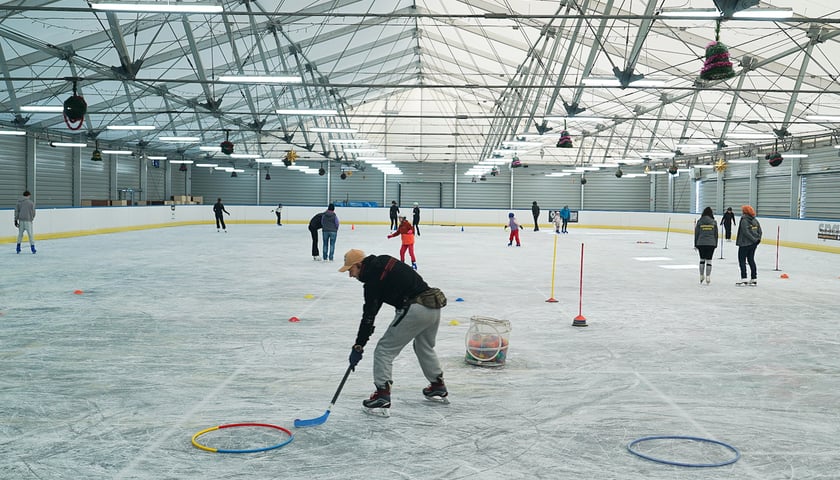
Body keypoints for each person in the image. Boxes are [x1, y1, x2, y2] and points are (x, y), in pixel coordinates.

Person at [339, 249, 448, 414]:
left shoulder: (372, 282)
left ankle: (382, 394)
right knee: (423, 346)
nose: (350, 275)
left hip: (415, 308)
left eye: (350, 270)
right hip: (433, 306)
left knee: (384, 350)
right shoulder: (384, 260)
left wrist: (359, 345)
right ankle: (437, 385)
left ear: (359, 265)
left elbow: (369, 316)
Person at [736, 205, 762, 286]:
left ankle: (744, 279)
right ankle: (754, 279)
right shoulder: (755, 220)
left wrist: (754, 240)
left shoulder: (744, 220)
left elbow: (745, 232)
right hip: (753, 244)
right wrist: (757, 240)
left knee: (742, 260)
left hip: (744, 244)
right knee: (751, 260)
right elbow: (760, 231)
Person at [694, 207, 719, 284]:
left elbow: (696, 234)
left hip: (701, 243)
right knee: (709, 260)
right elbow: (716, 234)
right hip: (711, 243)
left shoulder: (699, 222)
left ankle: (701, 275)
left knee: (702, 260)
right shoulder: (714, 222)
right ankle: (708, 276)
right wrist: (715, 244)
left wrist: (695, 244)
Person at [14, 190, 36, 254]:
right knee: (30, 235)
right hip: (28, 221)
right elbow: (33, 212)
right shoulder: (31, 203)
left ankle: (18, 248)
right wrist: (31, 218)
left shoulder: (19, 202)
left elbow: (16, 211)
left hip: (21, 221)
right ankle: (33, 248)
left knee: (20, 235)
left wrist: (15, 220)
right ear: (28, 195)